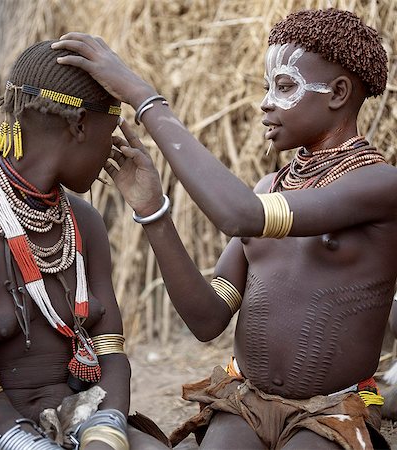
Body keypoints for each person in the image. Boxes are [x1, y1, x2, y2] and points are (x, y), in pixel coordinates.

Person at [51, 7, 397, 450]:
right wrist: (152, 209)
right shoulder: (270, 187)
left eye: (285, 86)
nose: (266, 102)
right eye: (266, 86)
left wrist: (144, 98)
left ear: (338, 93)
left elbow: (240, 215)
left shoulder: (378, 186)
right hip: (247, 403)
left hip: (329, 411)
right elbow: (208, 317)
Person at [0, 40, 169, 450]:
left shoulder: (83, 221)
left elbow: (110, 355)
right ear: (80, 124)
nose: (113, 150)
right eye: (112, 128)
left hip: (85, 423)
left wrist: (104, 433)